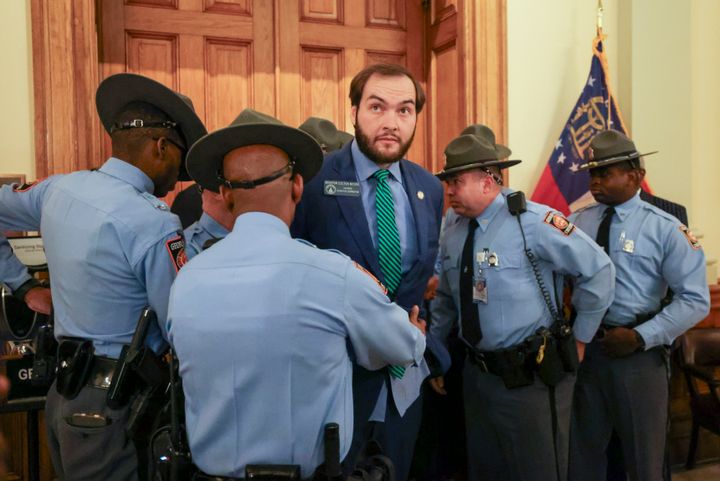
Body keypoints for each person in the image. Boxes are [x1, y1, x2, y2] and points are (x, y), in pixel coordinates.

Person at [167, 111, 427, 479]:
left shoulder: (186, 281)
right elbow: (402, 347)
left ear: (225, 195)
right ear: (298, 186)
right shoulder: (333, 276)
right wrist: (414, 332)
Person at [0, 73, 206, 481]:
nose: (177, 180)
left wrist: (22, 286)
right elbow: (178, 322)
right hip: (116, 404)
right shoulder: (153, 222)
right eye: (180, 164)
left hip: (63, 396)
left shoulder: (59, 189)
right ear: (161, 147)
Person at [429, 133, 615, 481]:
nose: (449, 190)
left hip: (530, 378)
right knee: (486, 470)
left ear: (487, 182)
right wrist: (439, 355)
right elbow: (445, 301)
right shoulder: (453, 229)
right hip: (477, 377)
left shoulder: (534, 222)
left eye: (456, 182)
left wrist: (580, 337)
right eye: (447, 182)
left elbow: (599, 271)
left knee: (537, 470)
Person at [290, 63, 444, 480]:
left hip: (403, 386)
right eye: (377, 107)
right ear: (354, 111)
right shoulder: (314, 183)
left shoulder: (429, 188)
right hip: (333, 384)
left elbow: (416, 281)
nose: (391, 122)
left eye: (404, 110)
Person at [567, 129, 710, 481]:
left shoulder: (664, 228)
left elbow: (695, 299)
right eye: (592, 173)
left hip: (637, 357)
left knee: (643, 462)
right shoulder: (579, 222)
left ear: (635, 176)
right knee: (582, 460)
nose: (595, 181)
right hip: (588, 353)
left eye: (605, 173)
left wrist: (641, 337)